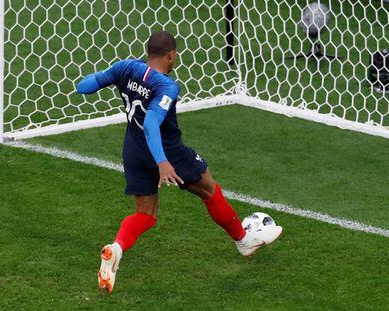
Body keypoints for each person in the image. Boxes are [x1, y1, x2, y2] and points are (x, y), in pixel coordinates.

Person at [77, 31, 282, 294]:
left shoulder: (126, 66)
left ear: (148, 51)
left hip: (134, 151)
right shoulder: (167, 86)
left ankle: (116, 249)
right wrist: (162, 161)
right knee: (208, 188)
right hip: (169, 152)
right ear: (171, 55)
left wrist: (108, 77)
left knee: (145, 214)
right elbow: (151, 123)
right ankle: (244, 241)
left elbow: (84, 86)